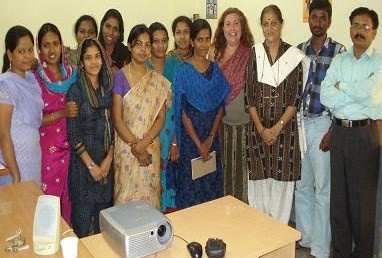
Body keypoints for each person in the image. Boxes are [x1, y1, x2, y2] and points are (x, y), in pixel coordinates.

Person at [321, 7, 382, 258]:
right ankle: (341, 253)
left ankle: (364, 254)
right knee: (339, 200)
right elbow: (326, 95)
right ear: (349, 29)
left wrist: (342, 85)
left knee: (364, 204)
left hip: (365, 134)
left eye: (365, 27)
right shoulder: (340, 60)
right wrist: (355, 93)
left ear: (374, 32)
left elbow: (374, 98)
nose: (360, 31)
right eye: (356, 25)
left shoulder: (379, 62)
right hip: (340, 133)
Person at [245, 5, 309, 224]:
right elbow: (249, 96)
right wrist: (262, 129)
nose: (269, 28)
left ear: (281, 24)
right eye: (265, 23)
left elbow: (295, 98)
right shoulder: (254, 54)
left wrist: (277, 127)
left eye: (273, 23)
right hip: (257, 134)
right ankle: (260, 241)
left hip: (285, 134)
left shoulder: (294, 57)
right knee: (259, 189)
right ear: (261, 26)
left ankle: (279, 244)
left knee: (281, 193)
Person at [294, 1, 346, 257]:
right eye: (313, 18)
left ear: (328, 20)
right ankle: (305, 237)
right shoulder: (299, 51)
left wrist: (332, 131)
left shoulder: (339, 51)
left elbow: (343, 94)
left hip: (324, 123)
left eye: (322, 18)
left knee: (322, 189)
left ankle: (320, 248)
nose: (317, 22)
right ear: (309, 20)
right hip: (301, 125)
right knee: (301, 186)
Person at [113, 24, 171, 209]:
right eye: (139, 44)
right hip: (126, 150)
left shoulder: (158, 81)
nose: (143, 49)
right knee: (125, 202)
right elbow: (117, 117)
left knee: (150, 204)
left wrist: (144, 143)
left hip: (149, 148)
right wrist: (136, 147)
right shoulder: (120, 77)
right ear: (130, 46)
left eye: (147, 45)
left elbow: (161, 118)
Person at [174, 19, 230, 209]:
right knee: (191, 193)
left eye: (207, 39)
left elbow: (221, 106)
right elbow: (182, 111)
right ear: (191, 41)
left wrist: (210, 138)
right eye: (199, 39)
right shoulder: (183, 71)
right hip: (191, 143)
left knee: (210, 193)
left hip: (211, 140)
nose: (204, 44)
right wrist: (199, 143)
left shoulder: (215, 70)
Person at [67, 38, 114, 238]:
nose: (94, 62)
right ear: (81, 63)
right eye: (88, 58)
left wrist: (107, 162)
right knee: (83, 229)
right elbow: (73, 135)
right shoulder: (75, 91)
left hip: (105, 170)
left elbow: (114, 129)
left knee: (104, 230)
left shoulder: (108, 90)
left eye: (97, 56)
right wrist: (92, 167)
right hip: (82, 172)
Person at [33, 23, 78, 224]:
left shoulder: (73, 73)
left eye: (55, 44)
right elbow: (34, 119)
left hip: (74, 146)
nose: (52, 50)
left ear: (62, 45)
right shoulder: (34, 79)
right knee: (49, 199)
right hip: (48, 150)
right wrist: (62, 112)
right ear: (39, 49)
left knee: (70, 197)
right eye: (46, 45)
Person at [209, 7, 254, 203]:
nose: (232, 28)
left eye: (236, 23)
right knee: (223, 177)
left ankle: (243, 224)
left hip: (245, 127)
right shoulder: (214, 55)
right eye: (228, 24)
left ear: (242, 27)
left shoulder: (250, 55)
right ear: (222, 28)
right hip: (220, 128)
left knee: (243, 179)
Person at [0, 26, 43, 185]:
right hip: (15, 161)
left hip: (33, 157)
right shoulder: (5, 84)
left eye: (30, 50)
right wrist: (15, 173)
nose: (27, 56)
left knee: (32, 206)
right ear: (10, 54)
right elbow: (3, 134)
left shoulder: (31, 80)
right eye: (21, 51)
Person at [147, 22, 180, 213]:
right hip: (151, 133)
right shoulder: (144, 68)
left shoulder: (176, 66)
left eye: (164, 41)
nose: (160, 45)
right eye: (156, 41)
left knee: (171, 178)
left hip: (172, 131)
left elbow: (181, 104)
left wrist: (175, 141)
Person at [99, 9, 130, 73]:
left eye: (115, 29)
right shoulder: (94, 49)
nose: (110, 32)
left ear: (119, 33)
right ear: (102, 26)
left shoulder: (125, 53)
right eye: (108, 26)